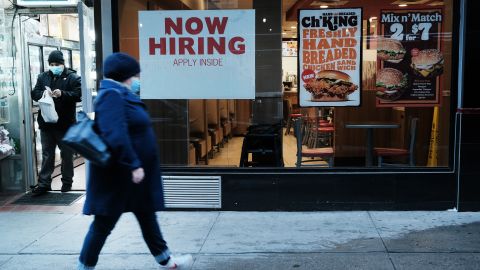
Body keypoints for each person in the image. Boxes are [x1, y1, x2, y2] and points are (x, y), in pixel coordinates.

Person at [77, 53, 193, 269]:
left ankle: (167, 261)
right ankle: (84, 266)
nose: (137, 79)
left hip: (130, 176)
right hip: (120, 176)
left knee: (147, 215)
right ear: (126, 76)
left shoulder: (118, 93)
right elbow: (115, 134)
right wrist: (133, 164)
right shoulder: (112, 94)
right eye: (135, 75)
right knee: (103, 224)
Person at [31, 50, 81, 195]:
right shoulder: (43, 77)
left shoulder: (72, 77)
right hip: (46, 123)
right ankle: (44, 183)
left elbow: (78, 94)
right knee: (47, 154)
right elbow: (34, 93)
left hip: (65, 124)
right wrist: (43, 94)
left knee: (66, 154)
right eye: (52, 64)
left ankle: (66, 183)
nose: (54, 66)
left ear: (63, 63)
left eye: (57, 64)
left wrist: (62, 94)